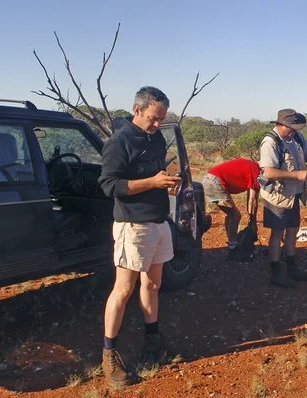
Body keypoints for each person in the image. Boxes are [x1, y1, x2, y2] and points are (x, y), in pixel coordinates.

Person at [98, 86, 182, 385]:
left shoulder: (155, 137)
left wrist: (167, 183)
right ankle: (109, 354)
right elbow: (110, 185)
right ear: (137, 110)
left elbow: (154, 178)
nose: (157, 124)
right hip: (132, 226)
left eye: (161, 119)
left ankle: (153, 341)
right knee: (123, 289)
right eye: (153, 118)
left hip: (159, 222)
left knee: (154, 283)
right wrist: (151, 182)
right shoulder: (119, 142)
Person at [259, 109, 307, 288]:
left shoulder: (297, 138)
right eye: (291, 127)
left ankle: (291, 268)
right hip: (277, 196)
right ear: (281, 124)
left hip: (293, 194)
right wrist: (298, 175)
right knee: (277, 233)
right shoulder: (270, 142)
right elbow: (268, 172)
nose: (294, 130)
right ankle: (276, 273)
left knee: (292, 230)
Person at [202, 158, 260, 261]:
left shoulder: (251, 166)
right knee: (235, 216)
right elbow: (253, 200)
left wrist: (251, 219)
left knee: (231, 214)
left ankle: (232, 243)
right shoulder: (256, 171)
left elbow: (249, 197)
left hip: (207, 179)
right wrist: (252, 221)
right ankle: (233, 250)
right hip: (216, 182)